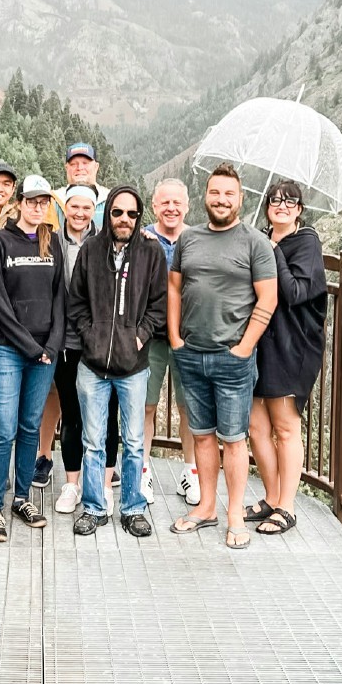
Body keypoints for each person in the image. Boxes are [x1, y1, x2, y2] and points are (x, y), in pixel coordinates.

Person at [168, 162, 278, 550]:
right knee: (201, 437)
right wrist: (174, 338)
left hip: (233, 358)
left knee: (233, 440)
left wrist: (245, 347)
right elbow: (175, 288)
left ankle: (234, 515)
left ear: (240, 198)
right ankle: (206, 508)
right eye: (215, 192)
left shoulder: (255, 243)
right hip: (191, 354)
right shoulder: (189, 239)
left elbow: (269, 297)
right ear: (206, 196)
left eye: (229, 194)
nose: (221, 199)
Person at [67, 187, 166, 538]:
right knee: (93, 440)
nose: (124, 219)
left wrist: (139, 337)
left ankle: (133, 508)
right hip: (92, 364)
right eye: (117, 212)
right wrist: (89, 334)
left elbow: (158, 305)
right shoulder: (90, 251)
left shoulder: (152, 253)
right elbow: (76, 301)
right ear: (107, 213)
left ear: (139, 218)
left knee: (135, 440)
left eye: (131, 214)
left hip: (134, 366)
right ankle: (94, 507)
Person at [0, 174, 65, 541]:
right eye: (31, 201)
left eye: (43, 201)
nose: (37, 207)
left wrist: (52, 344)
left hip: (43, 352)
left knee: (30, 426)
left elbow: (60, 298)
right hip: (6, 348)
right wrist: (30, 347)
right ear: (19, 202)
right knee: (2, 429)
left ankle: (22, 498)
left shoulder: (53, 242)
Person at [249, 181, 328, 536]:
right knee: (256, 426)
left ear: (299, 209)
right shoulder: (261, 237)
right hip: (261, 342)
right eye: (275, 200)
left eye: (289, 201)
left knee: (285, 427)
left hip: (293, 346)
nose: (281, 205)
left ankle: (287, 506)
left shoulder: (306, 242)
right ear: (267, 206)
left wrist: (274, 250)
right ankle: (271, 496)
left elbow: (295, 291)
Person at [43, 186, 120, 514]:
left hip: (104, 344)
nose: (79, 212)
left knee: (108, 416)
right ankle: (72, 484)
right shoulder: (51, 242)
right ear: (65, 209)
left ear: (94, 210)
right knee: (72, 416)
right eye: (73, 206)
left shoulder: (107, 242)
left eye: (86, 207)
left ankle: (103, 483)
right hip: (67, 343)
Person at [143, 178, 200, 506]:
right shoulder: (142, 238)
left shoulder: (196, 240)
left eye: (177, 202)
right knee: (146, 406)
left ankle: (190, 473)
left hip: (188, 338)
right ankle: (143, 470)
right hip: (150, 335)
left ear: (187, 205)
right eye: (165, 202)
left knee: (188, 408)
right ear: (154, 206)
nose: (171, 208)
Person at [54, 143, 111, 228]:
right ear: (66, 168)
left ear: (96, 166)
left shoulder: (110, 199)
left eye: (85, 163)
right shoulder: (54, 200)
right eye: (73, 164)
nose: (80, 168)